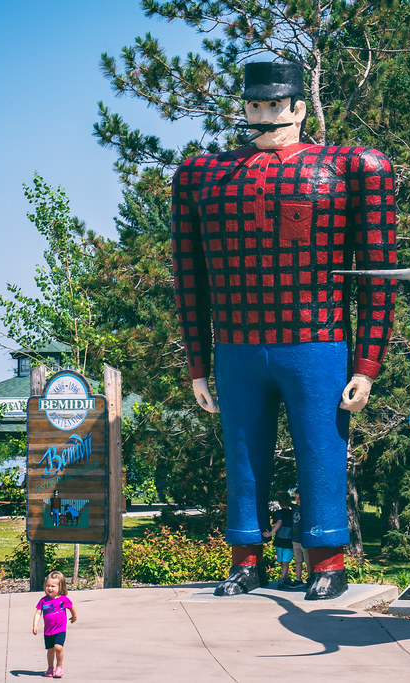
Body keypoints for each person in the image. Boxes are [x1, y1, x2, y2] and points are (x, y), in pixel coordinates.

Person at [170, 59, 397, 599]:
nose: (264, 116)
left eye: (275, 106)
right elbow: (188, 276)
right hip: (237, 344)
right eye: (254, 106)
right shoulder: (202, 176)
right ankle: (246, 559)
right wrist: (198, 366)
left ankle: (328, 561)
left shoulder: (352, 167)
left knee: (321, 449)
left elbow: (379, 272)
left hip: (317, 341)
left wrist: (367, 365)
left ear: (299, 108)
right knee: (242, 454)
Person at [32, 570, 77, 678]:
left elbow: (71, 607)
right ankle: (50, 668)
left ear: (60, 587)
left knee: (58, 647)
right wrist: (35, 625)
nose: (50, 588)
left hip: (60, 629)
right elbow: (38, 613)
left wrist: (74, 616)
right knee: (50, 650)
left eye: (53, 586)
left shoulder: (63, 599)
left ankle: (59, 667)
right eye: (48, 585)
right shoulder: (43, 601)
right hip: (48, 631)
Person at [264, 491, 296, 587]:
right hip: (289, 540)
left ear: (279, 502)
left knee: (282, 561)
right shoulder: (292, 512)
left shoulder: (279, 513)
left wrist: (270, 533)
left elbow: (279, 522)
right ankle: (286, 578)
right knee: (285, 561)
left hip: (279, 539)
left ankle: (282, 579)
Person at [289, 489, 305, 586]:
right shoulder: (294, 507)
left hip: (304, 540)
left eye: (299, 498)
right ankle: (298, 579)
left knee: (307, 561)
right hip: (295, 540)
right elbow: (286, 501)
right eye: (296, 498)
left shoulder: (306, 509)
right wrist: (281, 494)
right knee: (298, 561)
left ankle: (310, 578)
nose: (297, 500)